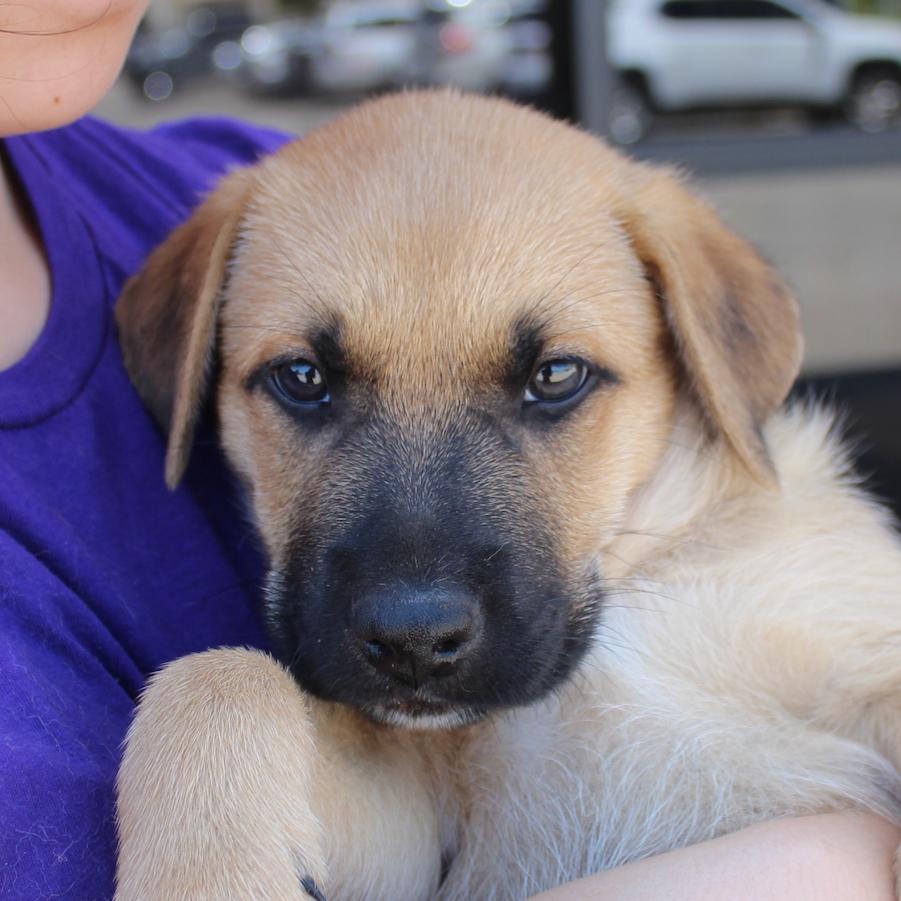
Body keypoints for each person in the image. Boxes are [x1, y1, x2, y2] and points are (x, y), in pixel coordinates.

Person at [0, 4, 898, 900]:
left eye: (553, 381)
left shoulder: (781, 553)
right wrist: (211, 739)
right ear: (194, 368)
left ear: (692, 345)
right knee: (215, 701)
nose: (416, 608)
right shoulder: (238, 225)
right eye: (304, 384)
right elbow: (390, 836)